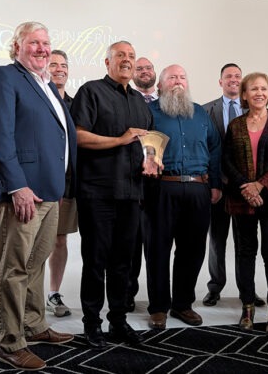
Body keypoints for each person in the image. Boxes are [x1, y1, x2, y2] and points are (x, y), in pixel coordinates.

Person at [0, 21, 77, 371]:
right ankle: (10, 342)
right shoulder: (3, 77)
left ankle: (34, 324)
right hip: (23, 192)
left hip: (51, 191)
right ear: (16, 46)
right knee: (15, 268)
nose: (41, 48)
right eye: (33, 42)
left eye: (46, 43)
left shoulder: (46, 84)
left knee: (35, 264)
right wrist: (17, 185)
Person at [70, 41, 153, 349]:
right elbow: (78, 136)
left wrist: (152, 161)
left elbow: (148, 146)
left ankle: (118, 321)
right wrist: (119, 140)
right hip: (98, 192)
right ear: (107, 62)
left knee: (123, 263)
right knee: (95, 261)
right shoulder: (91, 92)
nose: (127, 60)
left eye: (131, 56)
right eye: (121, 56)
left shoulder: (140, 102)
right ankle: (92, 325)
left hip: (131, 193)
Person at [145, 64, 222, 330]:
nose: (178, 81)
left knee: (192, 249)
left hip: (198, 189)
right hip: (161, 188)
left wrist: (214, 183)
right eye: (172, 77)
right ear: (160, 85)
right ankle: (158, 307)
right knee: (157, 249)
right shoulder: (149, 113)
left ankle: (182, 304)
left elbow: (214, 148)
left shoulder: (200, 113)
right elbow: (142, 145)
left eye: (182, 77)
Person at [222, 72, 268, 336]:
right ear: (244, 94)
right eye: (254, 89)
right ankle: (248, 307)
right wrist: (246, 187)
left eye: (264, 88)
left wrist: (260, 185)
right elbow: (227, 160)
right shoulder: (236, 125)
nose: (259, 93)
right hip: (242, 198)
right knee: (245, 253)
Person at [202, 63, 265, 308]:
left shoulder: (254, 111)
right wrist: (211, 181)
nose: (233, 80)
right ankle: (215, 287)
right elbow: (206, 148)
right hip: (218, 185)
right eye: (228, 76)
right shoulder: (207, 110)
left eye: (238, 76)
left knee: (245, 240)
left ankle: (246, 290)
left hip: (245, 187)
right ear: (220, 82)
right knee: (217, 239)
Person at [45, 49, 78, 317]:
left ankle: (53, 294)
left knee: (59, 240)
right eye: (53, 64)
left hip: (68, 185)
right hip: (40, 183)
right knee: (35, 241)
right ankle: (28, 296)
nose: (59, 69)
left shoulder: (77, 104)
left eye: (64, 65)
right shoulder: (39, 99)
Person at [126, 56, 158, 312]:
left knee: (156, 244)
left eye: (149, 68)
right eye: (140, 68)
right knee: (131, 244)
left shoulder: (164, 104)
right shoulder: (127, 102)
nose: (145, 72)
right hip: (131, 184)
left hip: (158, 186)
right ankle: (128, 293)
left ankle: (157, 297)